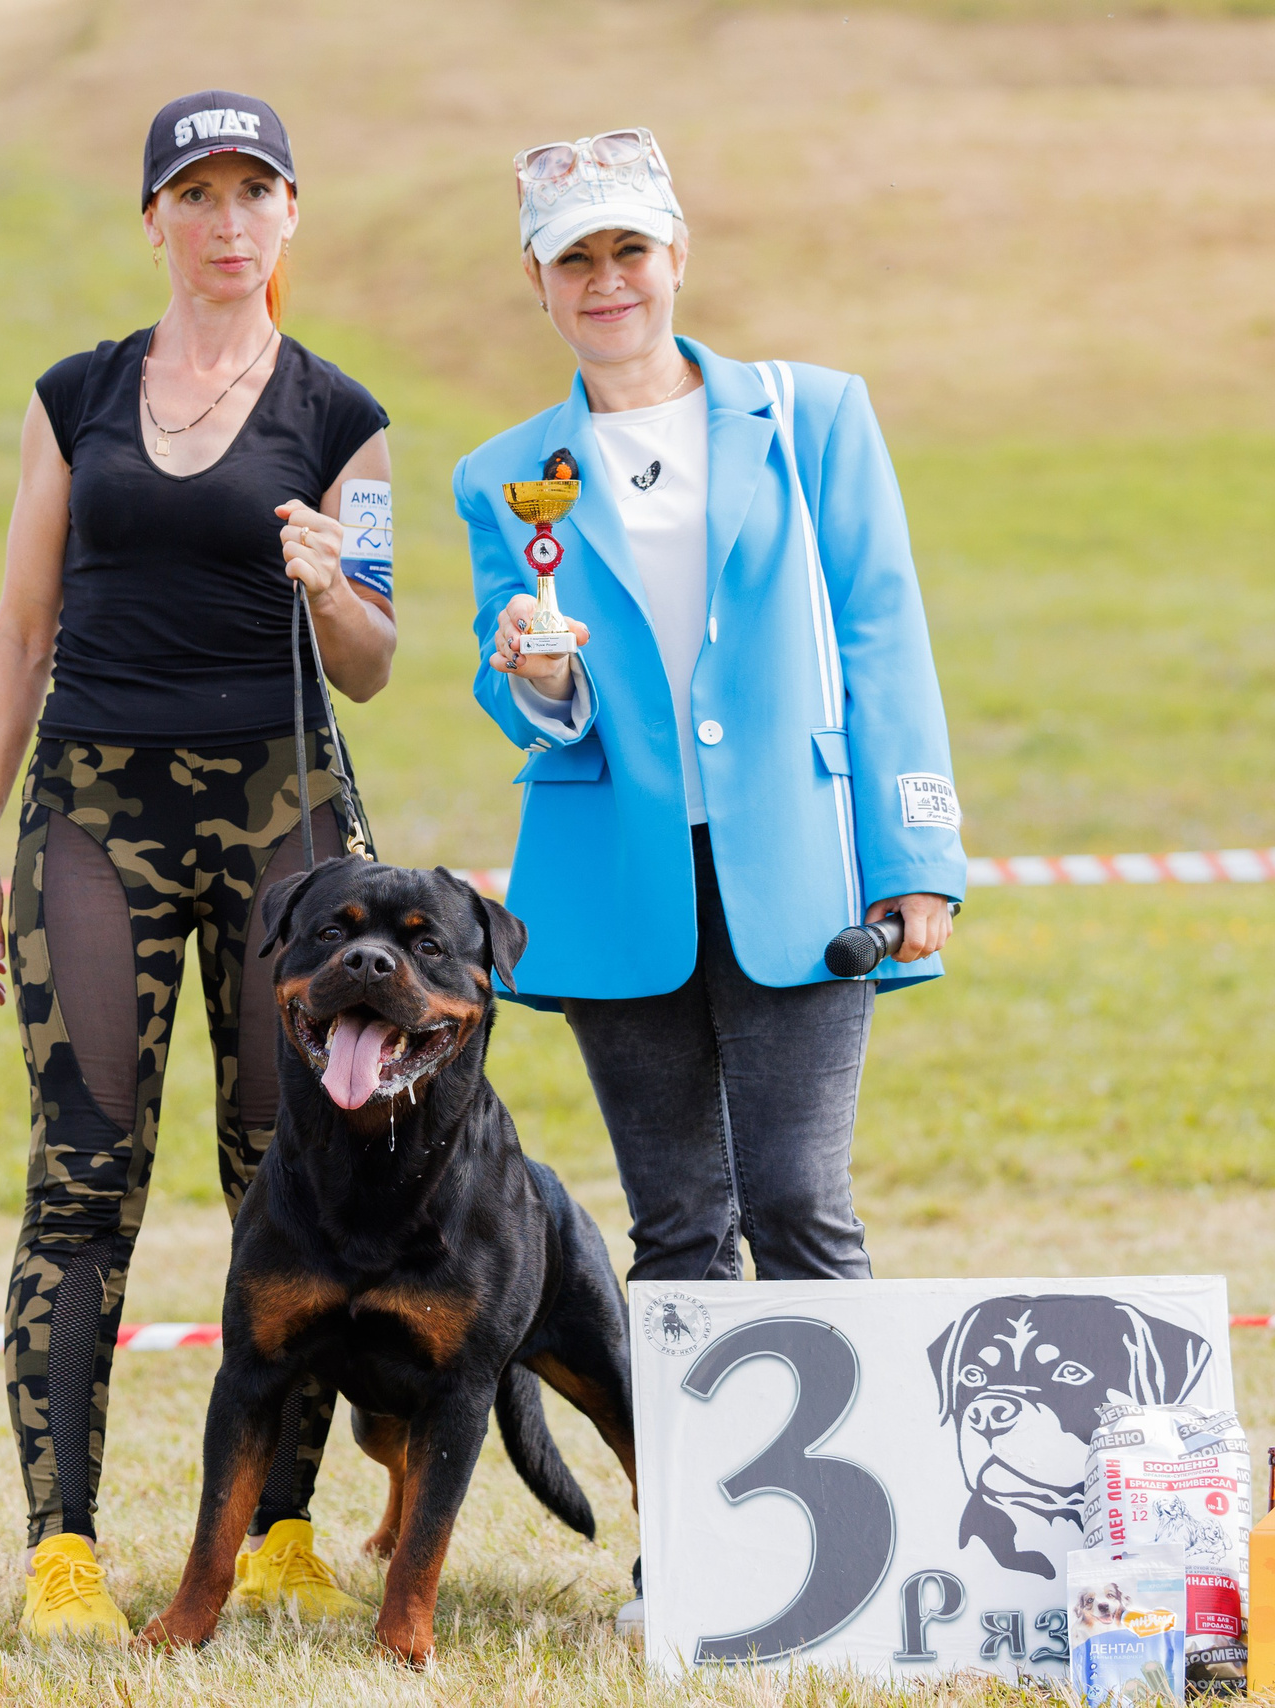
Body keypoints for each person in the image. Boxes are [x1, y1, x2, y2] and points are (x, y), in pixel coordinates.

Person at [0, 90, 396, 1642]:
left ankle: (281, 1528)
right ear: (153, 220)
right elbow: (18, 630)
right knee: (83, 1179)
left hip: (289, 827)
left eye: (251, 192)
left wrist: (331, 589)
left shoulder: (342, 419)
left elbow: (377, 662)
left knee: (297, 1181)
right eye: (193, 194)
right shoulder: (74, 397)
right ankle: (60, 1546)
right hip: (93, 813)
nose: (223, 222)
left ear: (289, 216)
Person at [455, 126, 965, 1346]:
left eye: (630, 248)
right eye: (574, 259)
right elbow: (521, 690)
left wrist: (917, 861)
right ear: (537, 282)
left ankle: (855, 1530)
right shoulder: (501, 474)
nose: (606, 279)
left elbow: (882, 632)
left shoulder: (815, 415)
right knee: (676, 1224)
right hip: (618, 875)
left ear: (677, 254)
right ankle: (688, 1535)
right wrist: (528, 667)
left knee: (798, 1204)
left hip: (801, 866)